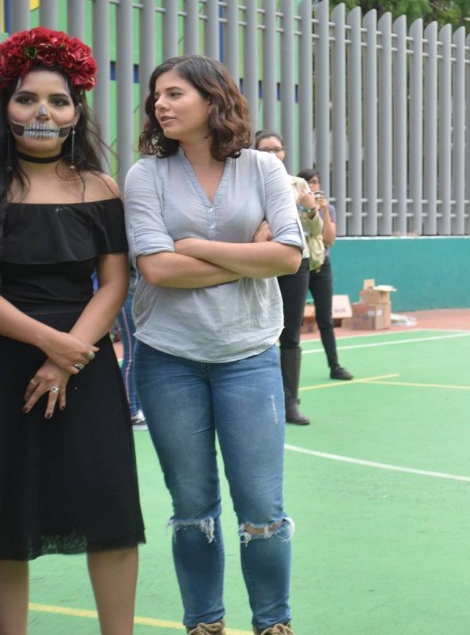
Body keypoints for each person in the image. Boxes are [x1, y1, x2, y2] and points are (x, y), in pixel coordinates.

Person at [123, 54, 304, 635]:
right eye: (157, 96)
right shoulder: (144, 175)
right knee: (191, 509)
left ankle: (272, 623)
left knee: (261, 509)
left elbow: (288, 255)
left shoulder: (262, 170)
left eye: (175, 93)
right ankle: (204, 624)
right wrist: (246, 260)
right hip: (167, 359)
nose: (161, 105)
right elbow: (155, 270)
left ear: (212, 99)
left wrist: (193, 245)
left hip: (249, 357)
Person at [0, 28, 144, 635]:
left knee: (109, 511)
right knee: (6, 523)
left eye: (57, 101)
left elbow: (114, 284)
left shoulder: (101, 188)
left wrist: (66, 356)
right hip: (9, 365)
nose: (42, 113)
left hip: (83, 368)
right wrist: (45, 342)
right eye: (26, 98)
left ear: (76, 111)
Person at [252, 131, 323, 424]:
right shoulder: (247, 181)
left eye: (277, 149)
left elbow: (316, 231)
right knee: (258, 333)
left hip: (296, 263)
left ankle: (290, 402)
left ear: (284, 153)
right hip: (259, 262)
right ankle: (259, 401)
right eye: (265, 149)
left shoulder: (299, 184)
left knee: (290, 333)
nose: (272, 154)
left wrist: (309, 208)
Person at [295, 167, 351, 381]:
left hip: (321, 266)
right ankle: (287, 372)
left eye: (316, 182)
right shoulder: (291, 207)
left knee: (325, 318)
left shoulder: (329, 209)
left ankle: (335, 366)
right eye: (308, 182)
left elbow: (329, 239)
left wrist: (324, 211)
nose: (313, 186)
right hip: (298, 267)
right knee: (293, 321)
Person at [114, 265, 144, 426]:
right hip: (129, 297)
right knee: (132, 356)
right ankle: (129, 410)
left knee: (140, 355)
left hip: (141, 299)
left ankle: (137, 408)